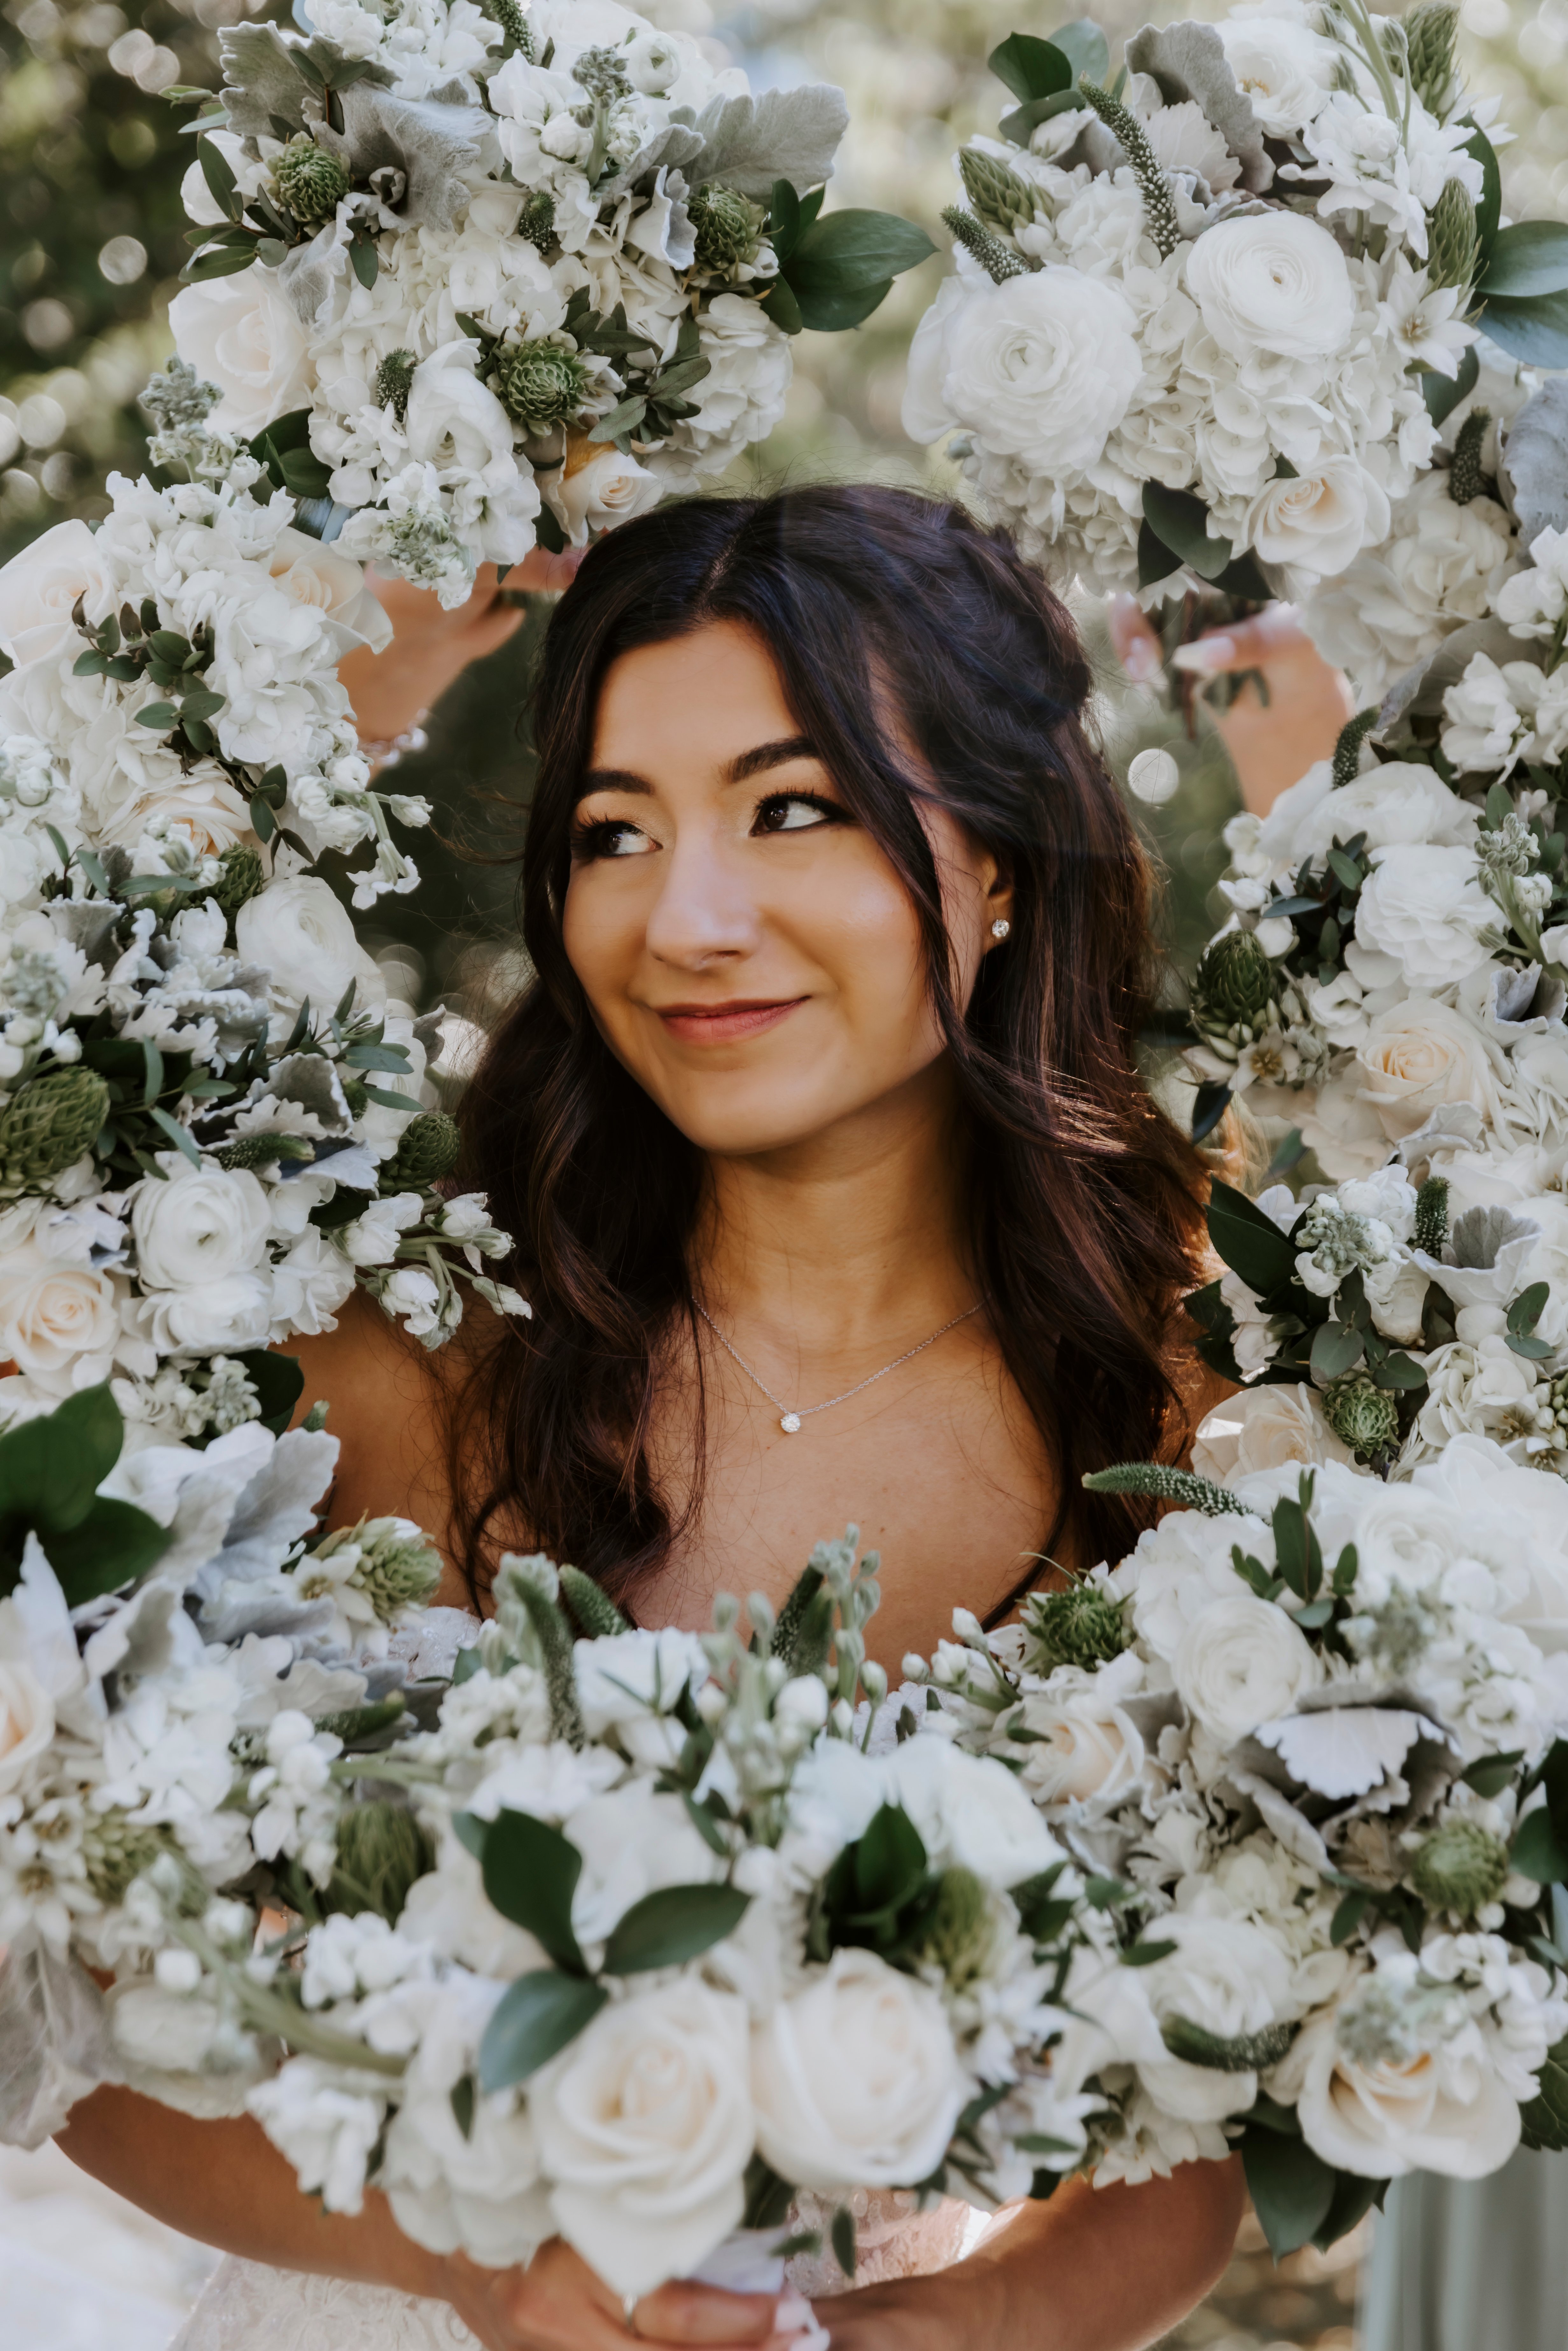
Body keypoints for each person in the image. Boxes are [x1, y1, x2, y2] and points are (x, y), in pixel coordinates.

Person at [56, 486, 1248, 2350]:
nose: (689, 921)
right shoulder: (396, 1374)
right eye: (616, 832)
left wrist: (939, 2333)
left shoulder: (1186, 1433)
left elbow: (1194, 2141)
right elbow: (79, 2026)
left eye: (795, 808)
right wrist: (466, 2267)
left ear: (1002, 860)